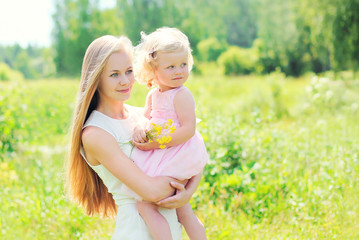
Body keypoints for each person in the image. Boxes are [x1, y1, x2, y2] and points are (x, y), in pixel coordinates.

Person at [66, 35, 203, 240]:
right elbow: (152, 192)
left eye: (129, 71)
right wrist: (182, 186)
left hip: (172, 230)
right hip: (135, 233)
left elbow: (191, 149)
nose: (125, 81)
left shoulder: (144, 116)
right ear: (96, 79)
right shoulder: (96, 133)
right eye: (114, 74)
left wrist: (189, 191)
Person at [129, 27, 208, 240]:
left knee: (146, 205)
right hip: (164, 154)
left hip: (178, 154)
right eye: (171, 66)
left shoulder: (182, 95)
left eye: (183, 64)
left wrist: (157, 143)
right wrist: (139, 127)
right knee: (183, 210)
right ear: (154, 70)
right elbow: (147, 117)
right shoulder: (154, 94)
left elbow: (188, 129)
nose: (179, 71)